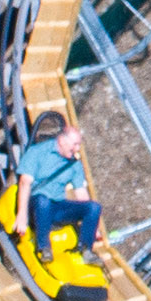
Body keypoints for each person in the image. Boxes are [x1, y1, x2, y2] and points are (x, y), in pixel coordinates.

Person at [15, 110, 102, 260]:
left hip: (56, 206)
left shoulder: (73, 163)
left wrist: (95, 227)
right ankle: (44, 247)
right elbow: (24, 183)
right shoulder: (38, 152)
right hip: (36, 204)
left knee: (94, 207)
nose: (76, 149)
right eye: (74, 145)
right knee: (43, 201)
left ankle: (86, 249)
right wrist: (21, 215)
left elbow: (81, 193)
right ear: (62, 141)